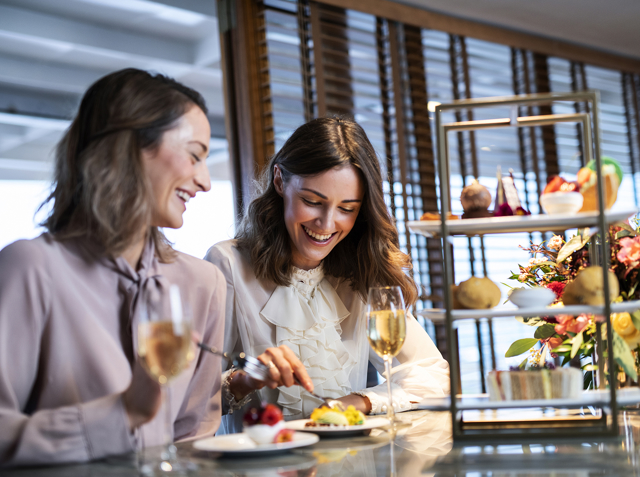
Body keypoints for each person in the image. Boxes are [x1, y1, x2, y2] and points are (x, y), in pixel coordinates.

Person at [0, 69, 226, 466]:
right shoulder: (29, 269)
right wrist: (122, 412)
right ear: (131, 148)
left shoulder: (204, 284)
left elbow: (194, 440)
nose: (205, 181)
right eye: (195, 154)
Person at [205, 117, 449, 434]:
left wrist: (358, 401)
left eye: (347, 208)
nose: (326, 224)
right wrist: (244, 380)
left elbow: (433, 373)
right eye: (312, 201)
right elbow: (186, 397)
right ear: (279, 181)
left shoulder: (361, 272)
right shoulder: (227, 264)